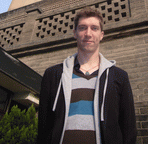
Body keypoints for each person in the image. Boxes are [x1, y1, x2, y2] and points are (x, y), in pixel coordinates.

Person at [38, 7, 137, 144]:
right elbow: (43, 127)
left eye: (94, 28)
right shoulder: (53, 75)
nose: (88, 34)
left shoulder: (119, 76)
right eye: (83, 28)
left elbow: (129, 128)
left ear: (101, 35)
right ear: (75, 33)